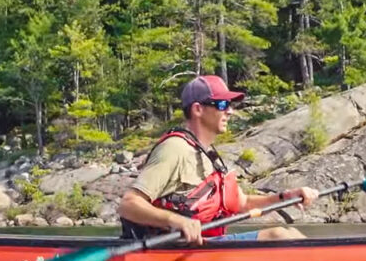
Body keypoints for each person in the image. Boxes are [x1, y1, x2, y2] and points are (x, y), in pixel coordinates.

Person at [118, 75, 318, 244]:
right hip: (177, 250)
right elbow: (129, 204)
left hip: (207, 247)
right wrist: (177, 221)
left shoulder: (209, 155)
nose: (229, 111)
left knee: (288, 233)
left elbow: (244, 203)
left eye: (230, 105)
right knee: (278, 236)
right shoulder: (174, 149)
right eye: (222, 104)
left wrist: (286, 197)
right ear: (198, 109)